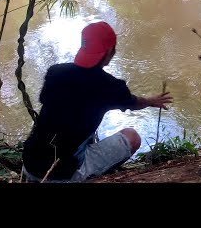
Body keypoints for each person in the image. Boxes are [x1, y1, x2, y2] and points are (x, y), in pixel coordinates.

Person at [22, 21, 173, 182]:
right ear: (109, 52)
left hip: (30, 163)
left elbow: (46, 99)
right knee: (132, 136)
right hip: (62, 174)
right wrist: (151, 101)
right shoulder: (111, 86)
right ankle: (91, 175)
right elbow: (134, 103)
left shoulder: (55, 72)